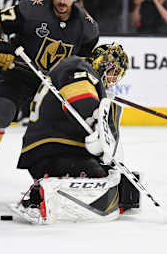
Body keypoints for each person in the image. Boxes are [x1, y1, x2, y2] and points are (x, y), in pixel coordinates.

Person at [0, 0, 100, 196]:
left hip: (56, 86)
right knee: (1, 111)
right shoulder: (31, 8)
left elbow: (83, 65)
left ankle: (70, 172)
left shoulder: (87, 27)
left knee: (70, 126)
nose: (62, 0)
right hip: (20, 73)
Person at [9, 44, 140, 224]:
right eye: (114, 72)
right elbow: (83, 104)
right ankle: (40, 197)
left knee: (109, 174)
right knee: (98, 176)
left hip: (58, 146)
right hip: (50, 147)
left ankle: (53, 189)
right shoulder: (79, 69)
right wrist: (95, 125)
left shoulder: (85, 74)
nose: (114, 79)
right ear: (105, 64)